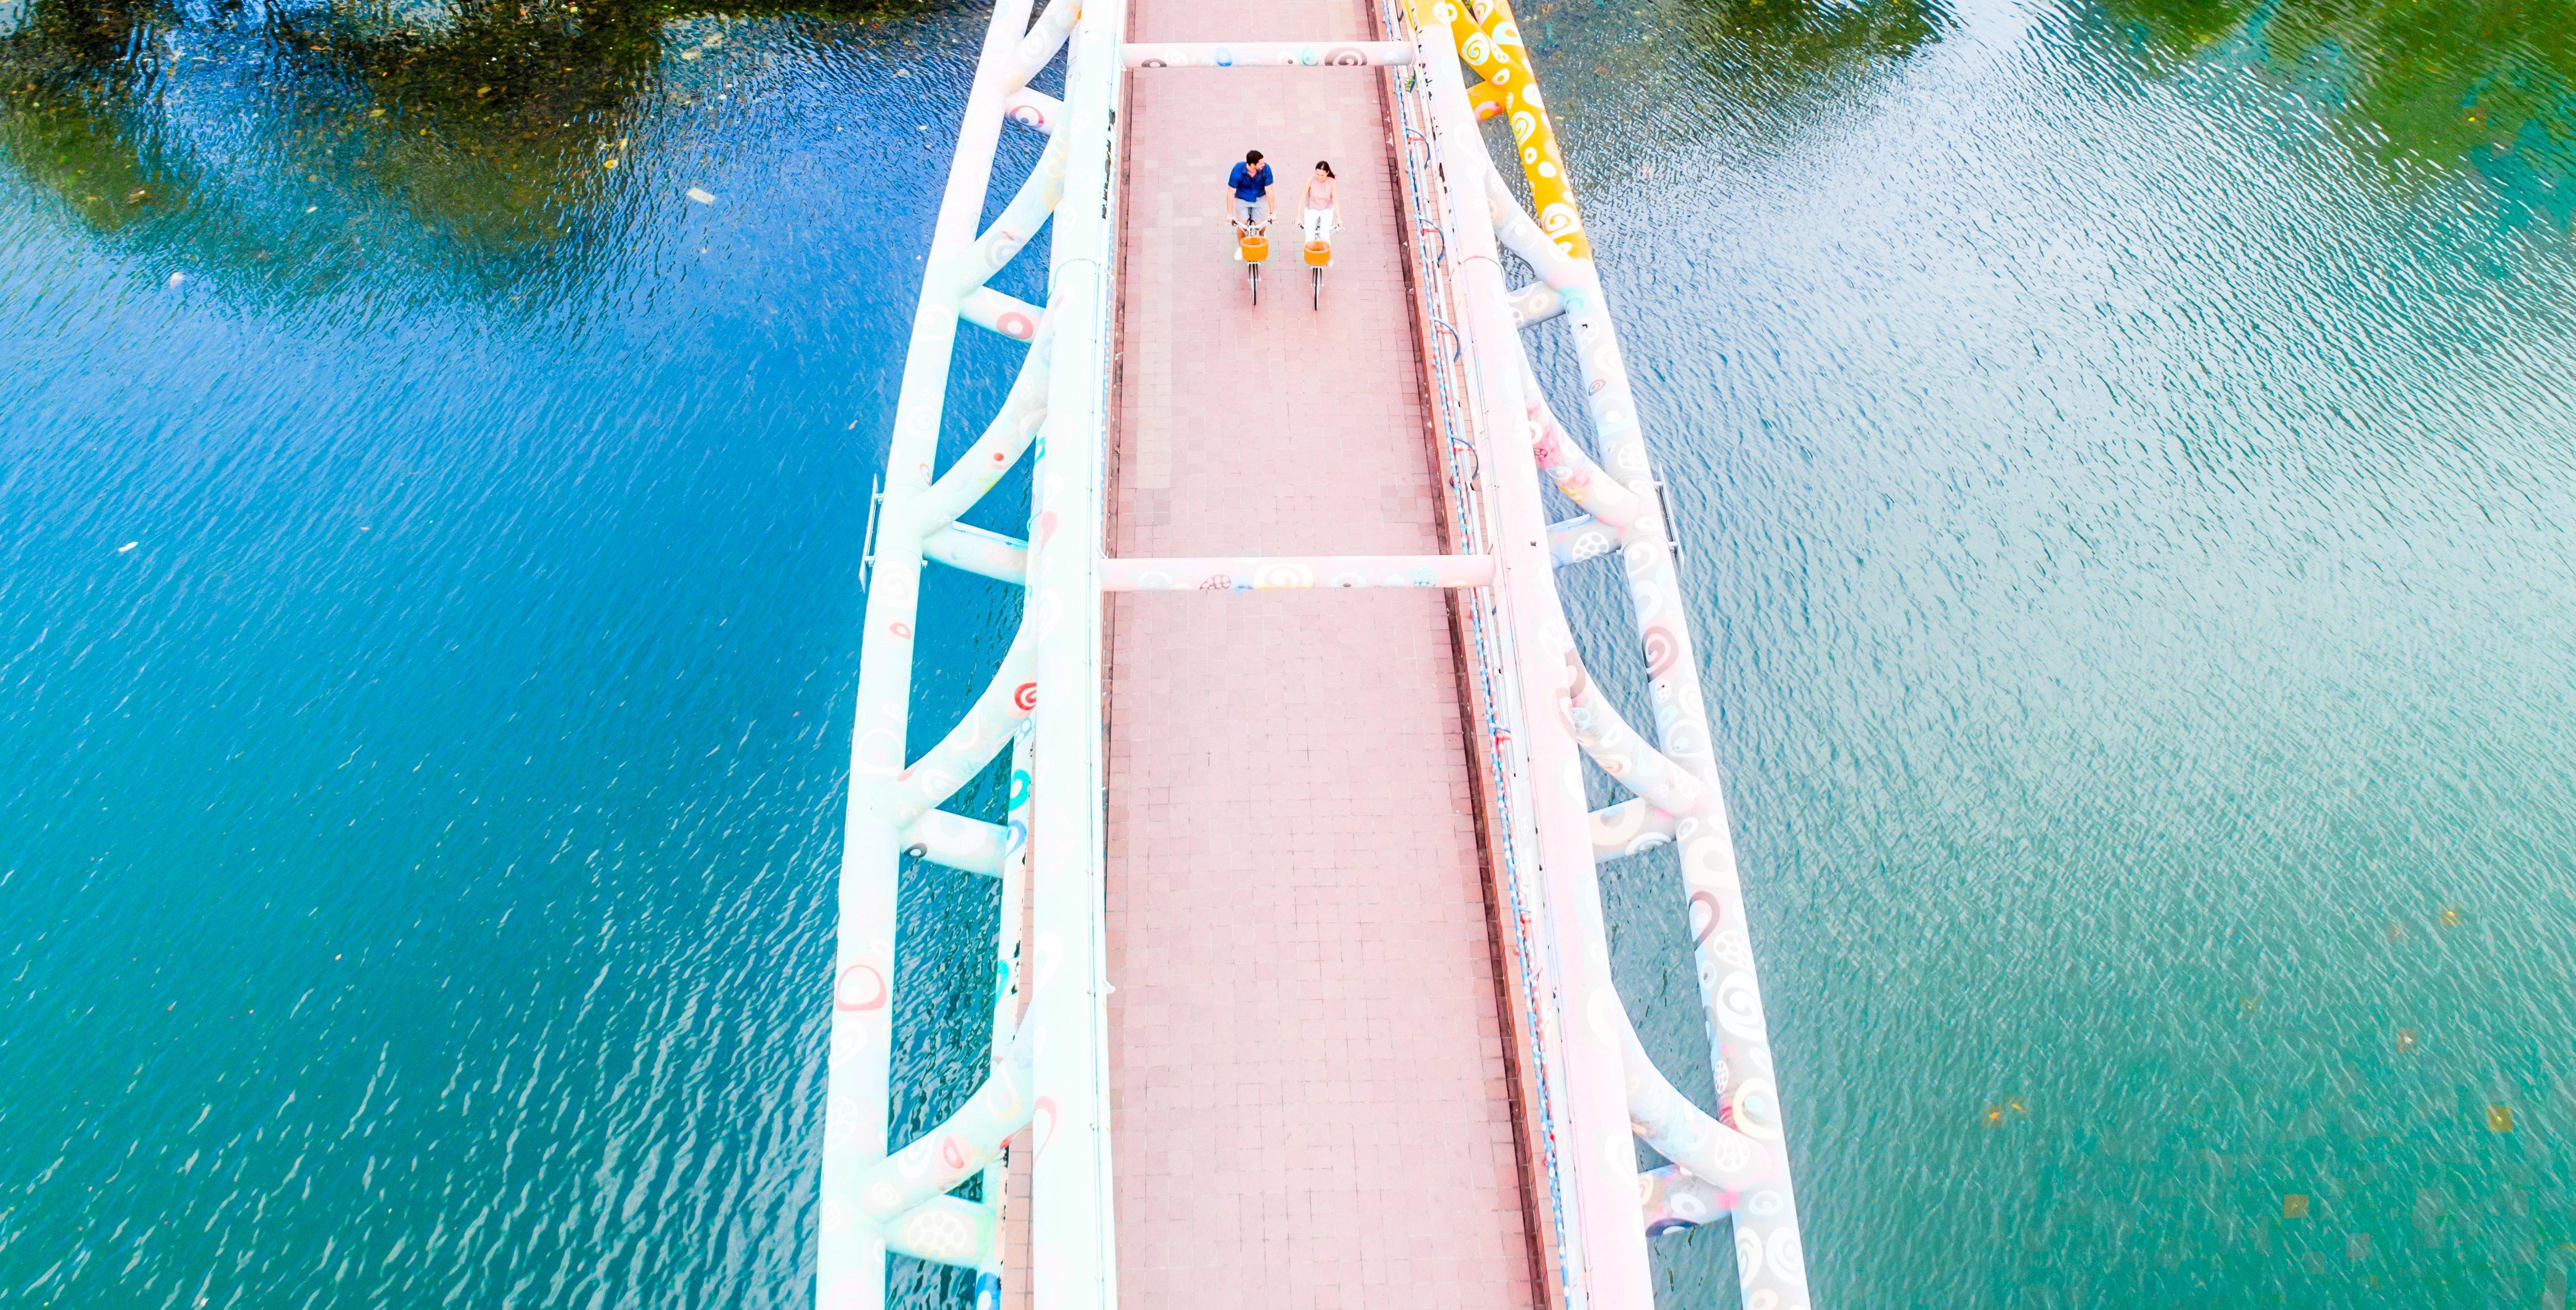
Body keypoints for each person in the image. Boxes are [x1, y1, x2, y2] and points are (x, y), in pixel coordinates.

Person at [1226, 149, 1274, 231]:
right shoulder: (1237, 170)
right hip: (1242, 198)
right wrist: (1229, 215)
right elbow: (1231, 193)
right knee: (1243, 226)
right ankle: (1242, 244)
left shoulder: (1266, 169)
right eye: (1261, 163)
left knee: (1261, 227)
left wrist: (1272, 213)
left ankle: (1261, 238)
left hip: (1259, 197)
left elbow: (1269, 191)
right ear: (1252, 165)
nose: (1264, 165)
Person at [1299, 161, 1337, 246]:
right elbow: (1301, 199)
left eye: (1322, 175)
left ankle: (1327, 258)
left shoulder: (1332, 182)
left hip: (1327, 209)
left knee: (1325, 236)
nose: (1319, 177)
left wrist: (1339, 217)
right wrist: (1298, 217)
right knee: (1309, 237)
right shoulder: (1311, 180)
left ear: (1327, 173)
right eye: (1317, 174)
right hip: (1312, 208)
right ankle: (1309, 258)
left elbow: (1335, 200)